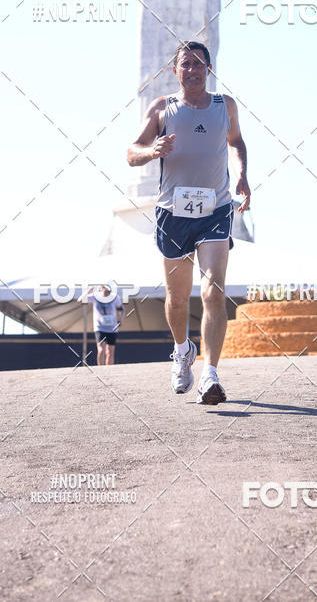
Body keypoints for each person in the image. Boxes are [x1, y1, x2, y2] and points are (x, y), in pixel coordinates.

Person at [127, 41, 250, 404]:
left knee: (213, 290)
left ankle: (210, 376)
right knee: (177, 299)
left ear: (208, 70)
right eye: (186, 64)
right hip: (172, 213)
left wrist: (242, 175)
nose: (193, 70)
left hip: (216, 209)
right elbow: (131, 152)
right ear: (175, 71)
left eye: (199, 64)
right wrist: (152, 151)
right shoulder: (163, 108)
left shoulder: (224, 105)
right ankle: (182, 351)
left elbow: (237, 142)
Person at [86, 284, 125, 365]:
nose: (108, 292)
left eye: (109, 290)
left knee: (110, 353)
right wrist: (89, 289)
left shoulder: (115, 297)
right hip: (100, 328)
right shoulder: (95, 296)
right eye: (106, 290)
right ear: (102, 288)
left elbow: (121, 309)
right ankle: (101, 370)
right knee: (101, 350)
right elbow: (80, 300)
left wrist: (120, 320)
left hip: (112, 328)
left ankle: (109, 371)